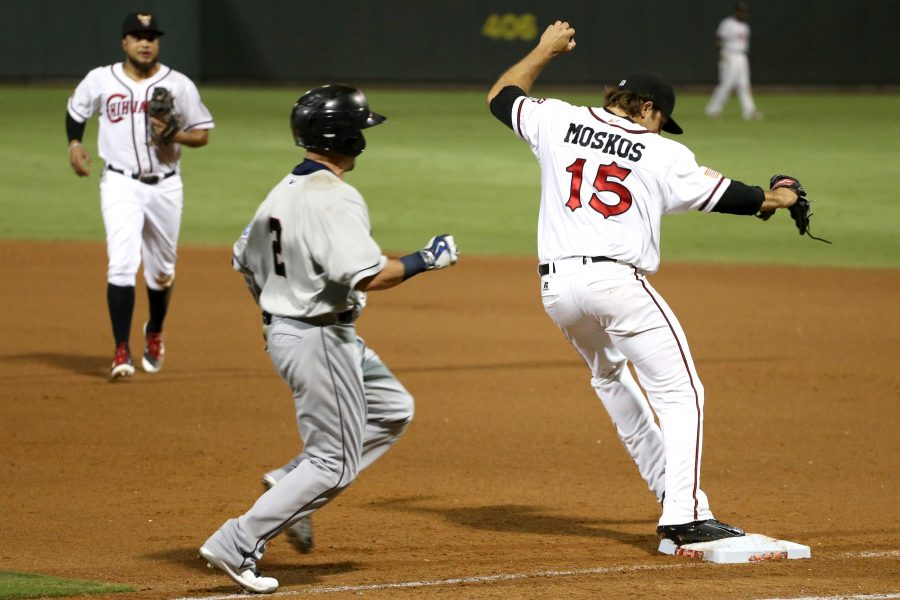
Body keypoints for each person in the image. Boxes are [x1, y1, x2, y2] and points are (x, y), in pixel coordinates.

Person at [487, 21, 802, 547]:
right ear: (651, 109)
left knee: (611, 377)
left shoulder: (558, 120)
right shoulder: (661, 153)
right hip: (614, 284)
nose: (661, 128)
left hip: (557, 291)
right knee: (682, 393)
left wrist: (544, 49)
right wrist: (783, 195)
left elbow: (502, 97)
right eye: (662, 120)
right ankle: (683, 515)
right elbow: (745, 199)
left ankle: (671, 493)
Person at [199, 84, 460, 593]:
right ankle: (237, 542)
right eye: (360, 128)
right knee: (333, 466)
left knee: (391, 408)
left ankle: (290, 476)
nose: (364, 136)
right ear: (346, 138)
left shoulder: (282, 192)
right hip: (318, 338)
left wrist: (281, 311)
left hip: (301, 333)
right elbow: (369, 276)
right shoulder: (332, 197)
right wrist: (428, 258)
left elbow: (241, 259)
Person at [66, 12, 214, 380]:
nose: (145, 42)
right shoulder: (100, 79)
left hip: (166, 185)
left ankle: (155, 329)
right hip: (119, 183)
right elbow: (76, 111)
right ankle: (120, 349)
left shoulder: (179, 85)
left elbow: (202, 134)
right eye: (137, 36)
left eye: (151, 37)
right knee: (121, 264)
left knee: (162, 273)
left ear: (157, 43)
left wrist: (174, 135)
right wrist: (74, 144)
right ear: (124, 43)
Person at [705, 2, 763, 120]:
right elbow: (719, 38)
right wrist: (720, 52)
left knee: (744, 84)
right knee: (727, 84)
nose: (743, 13)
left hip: (741, 56)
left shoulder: (745, 26)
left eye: (744, 11)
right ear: (736, 11)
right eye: (741, 11)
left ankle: (749, 111)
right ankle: (713, 110)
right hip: (729, 54)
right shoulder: (728, 23)